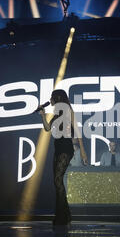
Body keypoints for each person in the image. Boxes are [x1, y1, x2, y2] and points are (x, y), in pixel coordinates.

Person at [39, 89, 88, 226]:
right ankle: (66, 215)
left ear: (58, 98)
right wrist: (43, 115)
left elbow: (77, 130)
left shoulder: (68, 111)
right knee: (57, 182)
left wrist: (83, 151)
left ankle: (62, 216)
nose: (50, 100)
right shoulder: (56, 114)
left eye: (52, 97)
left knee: (58, 179)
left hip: (66, 147)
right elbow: (47, 128)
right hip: (58, 148)